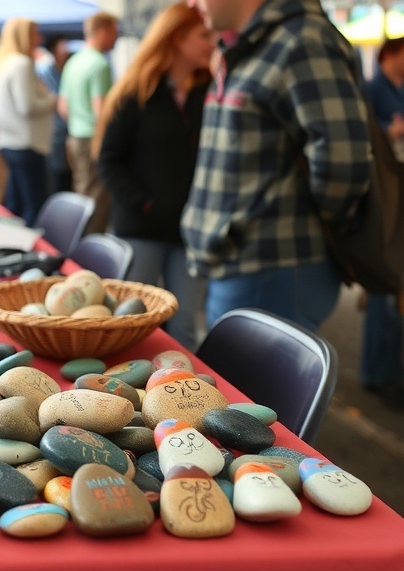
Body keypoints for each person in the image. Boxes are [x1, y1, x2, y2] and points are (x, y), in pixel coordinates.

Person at [181, 0, 370, 333]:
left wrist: (327, 222)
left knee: (247, 384)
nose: (191, 2)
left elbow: (344, 160)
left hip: (272, 267)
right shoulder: (257, 43)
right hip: (246, 264)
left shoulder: (301, 41)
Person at [95, 3, 214, 350]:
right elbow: (109, 161)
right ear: (176, 38)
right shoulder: (136, 94)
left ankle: (185, 401)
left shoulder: (210, 93)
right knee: (132, 325)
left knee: (185, 328)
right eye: (203, 35)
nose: (212, 43)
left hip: (190, 233)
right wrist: (144, 204)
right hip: (142, 229)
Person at [359, 37, 404, 407]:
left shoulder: (394, 90)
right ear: (388, 54)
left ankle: (387, 370)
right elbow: (367, 144)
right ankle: (378, 373)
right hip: (384, 204)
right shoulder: (372, 90)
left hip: (395, 201)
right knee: (386, 288)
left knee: (394, 289)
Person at [0, 18, 57, 227]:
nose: (40, 38)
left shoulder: (2, 62)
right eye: (36, 33)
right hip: (26, 143)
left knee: (15, 203)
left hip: (10, 141)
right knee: (33, 206)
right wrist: (53, 99)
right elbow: (27, 106)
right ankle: (28, 253)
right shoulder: (21, 63)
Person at [59, 12, 119, 234]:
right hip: (93, 137)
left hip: (75, 135)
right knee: (96, 200)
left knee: (83, 194)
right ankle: (88, 254)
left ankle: (79, 243)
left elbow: (62, 107)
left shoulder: (73, 61)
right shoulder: (99, 64)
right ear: (103, 31)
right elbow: (101, 110)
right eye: (114, 31)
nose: (117, 37)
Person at [36, 37, 73, 194]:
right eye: (63, 47)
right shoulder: (46, 70)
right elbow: (54, 99)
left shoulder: (61, 68)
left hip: (61, 129)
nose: (66, 50)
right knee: (56, 174)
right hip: (55, 129)